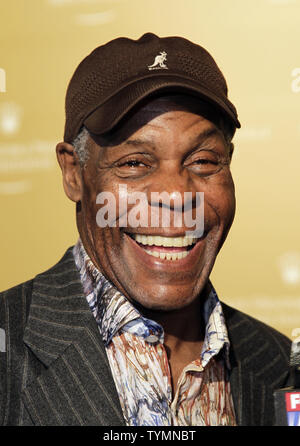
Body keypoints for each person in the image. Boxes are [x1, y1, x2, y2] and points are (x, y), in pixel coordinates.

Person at [0, 33, 291, 426]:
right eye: (135, 163)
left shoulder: (278, 362)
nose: (175, 196)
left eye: (204, 161)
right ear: (73, 173)